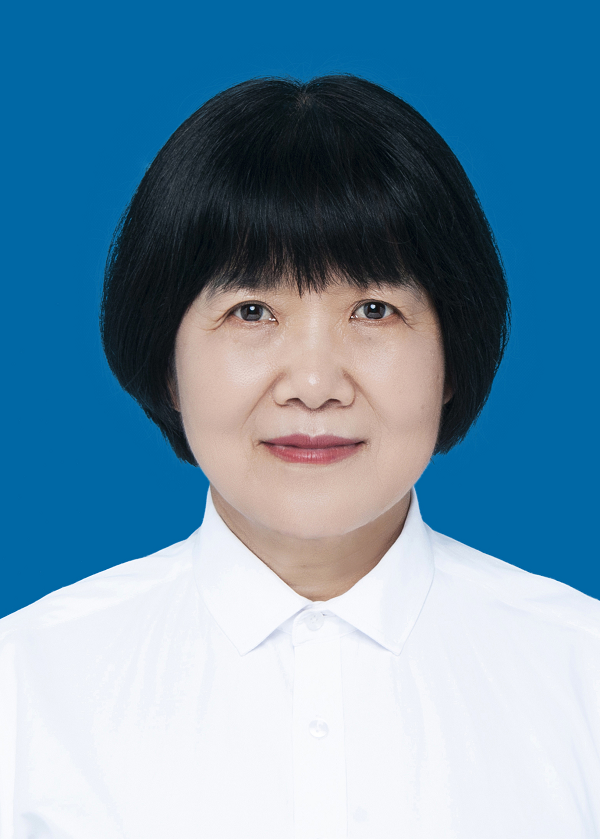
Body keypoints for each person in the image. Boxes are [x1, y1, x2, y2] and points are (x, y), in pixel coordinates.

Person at [0, 74, 598, 839]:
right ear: (166, 361)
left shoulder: (581, 673)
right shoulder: (29, 689)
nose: (315, 385)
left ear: (453, 355)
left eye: (374, 309)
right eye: (252, 311)